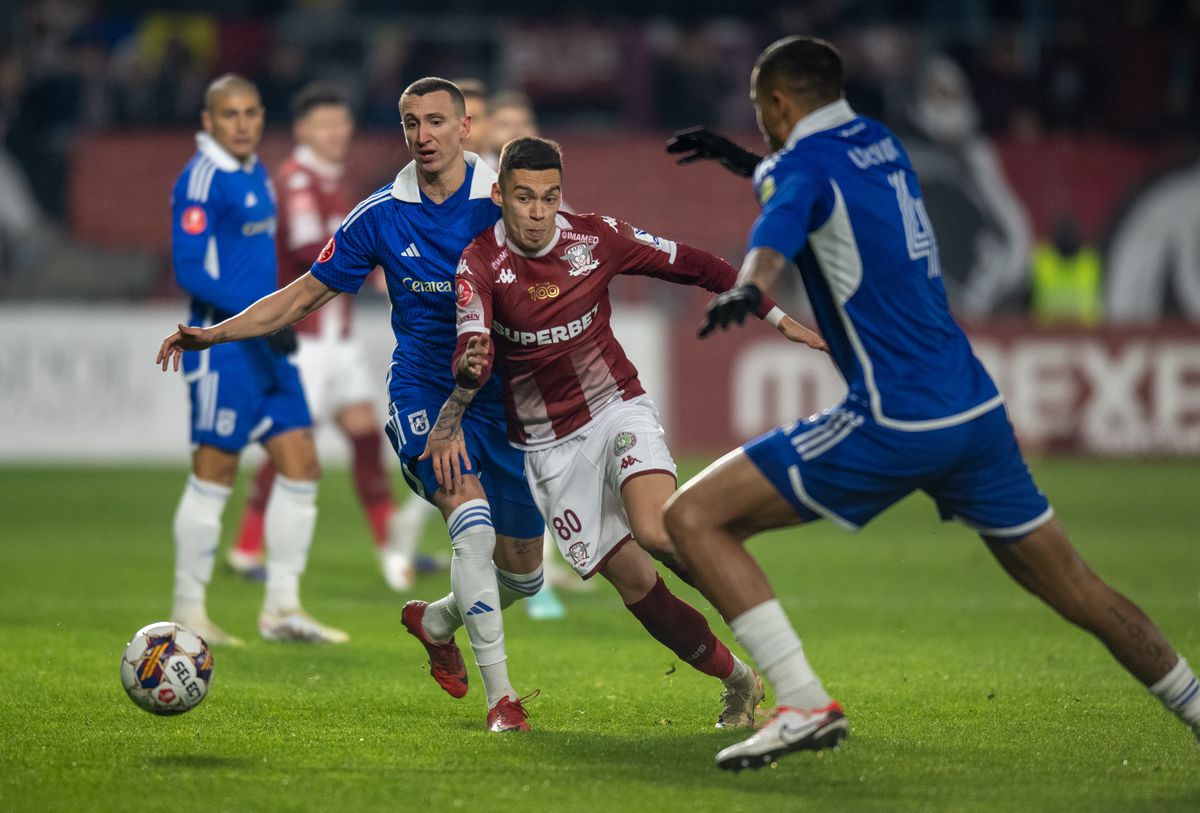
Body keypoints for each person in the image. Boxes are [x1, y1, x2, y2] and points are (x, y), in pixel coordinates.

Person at [661, 35, 1200, 771]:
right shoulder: (879, 144)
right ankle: (1195, 705)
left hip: (895, 415)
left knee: (692, 516)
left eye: (761, 111)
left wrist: (752, 286)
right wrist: (745, 164)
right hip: (972, 409)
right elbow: (817, 190)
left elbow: (781, 224)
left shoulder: (795, 166)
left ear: (779, 103)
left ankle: (803, 700)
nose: (762, 125)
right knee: (1078, 585)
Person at [158, 77, 546, 732]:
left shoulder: (505, 201)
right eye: (410, 124)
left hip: (499, 400)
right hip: (424, 392)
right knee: (470, 521)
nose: (424, 136)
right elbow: (303, 293)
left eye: (436, 122)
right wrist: (216, 331)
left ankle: (435, 618)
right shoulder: (381, 214)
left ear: (465, 127)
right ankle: (502, 698)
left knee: (525, 574)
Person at [420, 136, 822, 729]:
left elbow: (700, 265)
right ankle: (740, 680)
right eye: (525, 197)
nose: (538, 212)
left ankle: (775, 644)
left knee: (658, 532)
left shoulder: (595, 236)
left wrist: (778, 317)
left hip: (616, 410)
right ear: (500, 195)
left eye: (549, 197)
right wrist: (470, 363)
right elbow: (471, 333)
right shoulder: (479, 262)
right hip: (548, 450)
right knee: (637, 585)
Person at [224, 81, 436, 592]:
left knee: (366, 436)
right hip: (305, 340)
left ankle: (392, 544)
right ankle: (247, 546)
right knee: (292, 445)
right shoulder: (297, 180)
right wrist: (383, 268)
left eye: (342, 124)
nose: (336, 133)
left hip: (337, 339)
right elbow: (306, 249)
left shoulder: (335, 181)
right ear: (303, 130)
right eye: (325, 125)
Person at [163, 74, 347, 646]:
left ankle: (283, 609)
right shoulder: (200, 179)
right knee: (214, 473)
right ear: (208, 121)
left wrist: (275, 322)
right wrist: (249, 322)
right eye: (230, 114)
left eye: (251, 112)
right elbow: (190, 268)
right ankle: (188, 608)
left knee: (302, 465)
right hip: (222, 350)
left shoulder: (256, 173)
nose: (242, 123)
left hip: (268, 346)